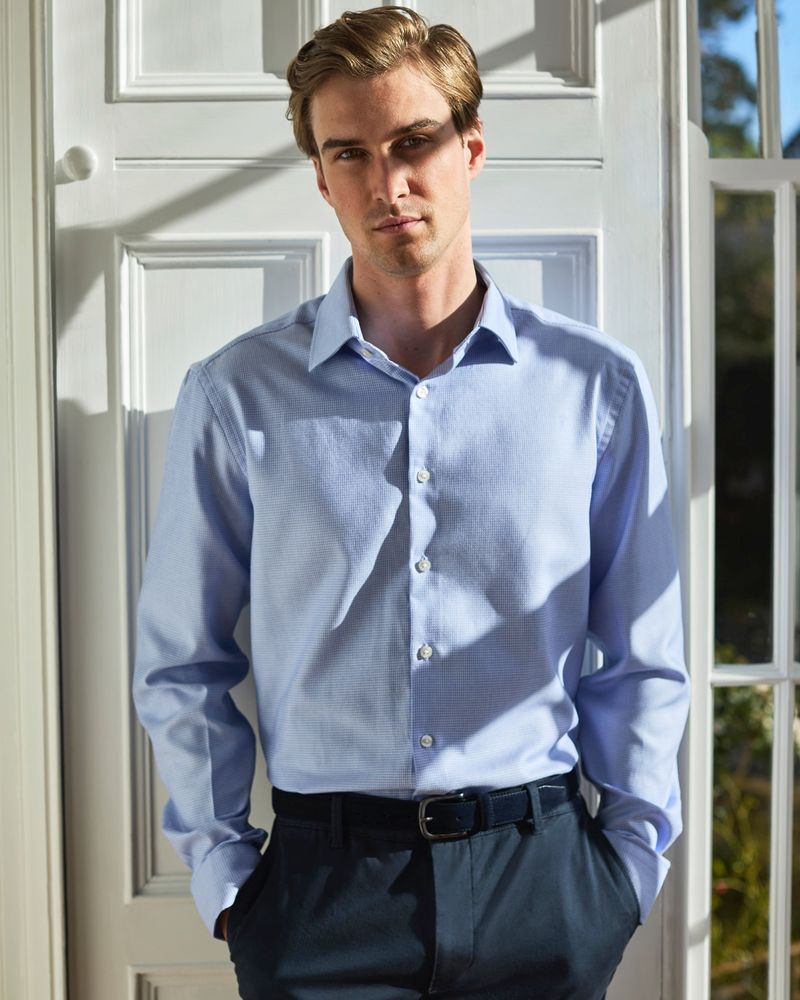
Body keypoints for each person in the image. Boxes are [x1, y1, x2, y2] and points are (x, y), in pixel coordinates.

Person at [133, 7, 690, 999]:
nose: (386, 184)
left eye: (414, 142)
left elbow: (643, 652)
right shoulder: (237, 394)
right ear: (320, 176)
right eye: (348, 153)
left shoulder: (594, 388)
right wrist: (228, 880)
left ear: (470, 148)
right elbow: (181, 658)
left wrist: (626, 867)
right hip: (318, 895)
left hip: (542, 879)